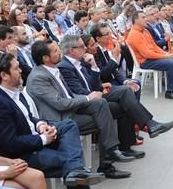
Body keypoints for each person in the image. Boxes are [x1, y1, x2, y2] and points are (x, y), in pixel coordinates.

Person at [0, 52, 119, 189]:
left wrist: (41, 125)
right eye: (16, 68)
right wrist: (44, 139)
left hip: (33, 140)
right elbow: (10, 144)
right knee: (71, 163)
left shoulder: (11, 90)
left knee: (68, 126)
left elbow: (29, 118)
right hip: (20, 157)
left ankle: (75, 173)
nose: (21, 71)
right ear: (4, 75)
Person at [25, 40, 134, 178]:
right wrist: (87, 98)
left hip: (69, 111)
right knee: (104, 119)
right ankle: (107, 162)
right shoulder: (38, 77)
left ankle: (111, 152)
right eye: (55, 51)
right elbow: (60, 103)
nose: (60, 52)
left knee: (100, 103)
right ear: (45, 58)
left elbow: (69, 95)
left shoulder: (53, 69)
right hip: (59, 119)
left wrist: (90, 96)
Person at [58, 34, 173, 149]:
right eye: (82, 46)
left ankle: (128, 143)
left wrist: (93, 66)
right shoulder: (65, 67)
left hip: (97, 93)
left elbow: (94, 84)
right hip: (87, 101)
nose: (85, 48)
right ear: (71, 50)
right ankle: (149, 125)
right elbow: (79, 90)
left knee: (125, 96)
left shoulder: (81, 61)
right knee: (124, 95)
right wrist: (97, 90)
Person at [126, 10, 173, 101]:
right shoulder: (134, 34)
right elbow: (147, 54)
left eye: (145, 17)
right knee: (172, 63)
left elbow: (154, 46)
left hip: (152, 57)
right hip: (145, 61)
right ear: (136, 20)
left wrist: (166, 53)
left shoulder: (145, 31)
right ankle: (170, 91)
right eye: (143, 17)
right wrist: (165, 56)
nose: (146, 19)